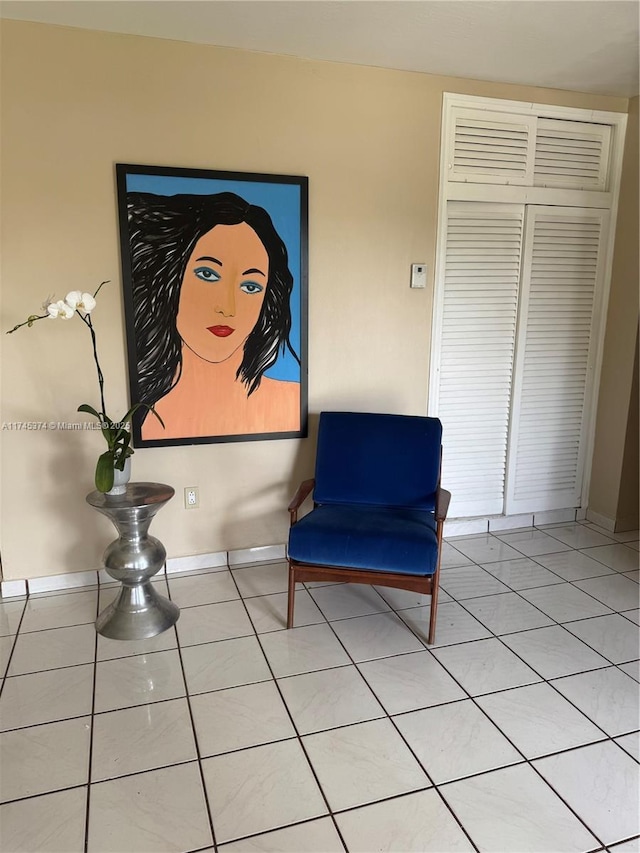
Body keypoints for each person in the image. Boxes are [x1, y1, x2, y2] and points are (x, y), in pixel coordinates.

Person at [126, 191, 301, 440]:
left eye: (250, 287)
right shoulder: (137, 415)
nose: (227, 307)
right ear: (171, 279)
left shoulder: (291, 402)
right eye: (207, 274)